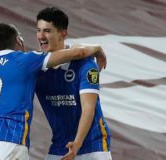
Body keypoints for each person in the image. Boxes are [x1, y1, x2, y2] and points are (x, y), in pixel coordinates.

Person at [0, 23, 106, 159]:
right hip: (12, 140)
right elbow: (77, 53)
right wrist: (97, 48)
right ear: (18, 40)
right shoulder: (25, 60)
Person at [35, 7, 112, 160]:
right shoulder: (35, 66)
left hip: (93, 146)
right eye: (38, 30)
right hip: (60, 147)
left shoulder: (86, 64)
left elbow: (88, 108)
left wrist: (77, 143)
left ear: (63, 34)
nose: (41, 36)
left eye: (47, 31)